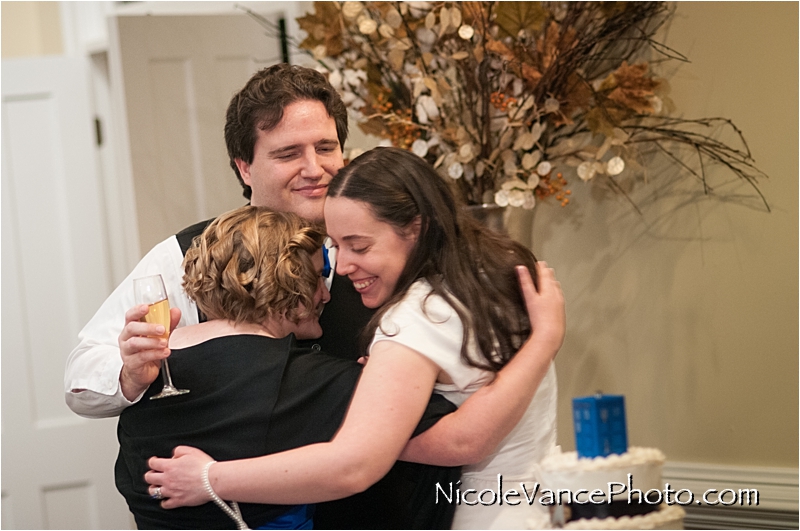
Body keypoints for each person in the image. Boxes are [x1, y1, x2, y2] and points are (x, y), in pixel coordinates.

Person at [66, 64, 558, 528]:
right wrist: (129, 375)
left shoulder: (407, 262)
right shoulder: (185, 255)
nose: (314, 168)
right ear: (244, 167)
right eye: (288, 154)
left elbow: (460, 425)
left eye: (326, 147)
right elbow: (83, 375)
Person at [144, 147, 566, 530]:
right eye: (336, 247)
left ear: (416, 230)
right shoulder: (488, 276)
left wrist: (210, 477)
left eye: (358, 246)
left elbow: (403, 454)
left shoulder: (417, 316)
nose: (342, 267)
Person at [116, 206, 363, 529]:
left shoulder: (142, 373)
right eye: (317, 277)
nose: (326, 295)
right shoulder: (305, 378)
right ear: (288, 282)